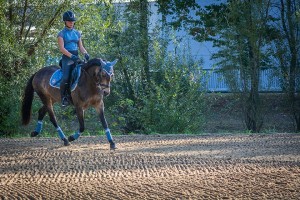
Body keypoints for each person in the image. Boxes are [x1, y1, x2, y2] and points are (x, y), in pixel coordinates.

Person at [57, 10, 90, 107]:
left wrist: (85, 54)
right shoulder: (61, 34)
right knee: (66, 77)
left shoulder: (77, 33)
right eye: (69, 21)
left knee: (85, 73)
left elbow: (81, 47)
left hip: (76, 56)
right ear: (65, 22)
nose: (71, 23)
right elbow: (62, 49)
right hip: (67, 57)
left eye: (72, 21)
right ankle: (64, 97)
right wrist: (72, 57)